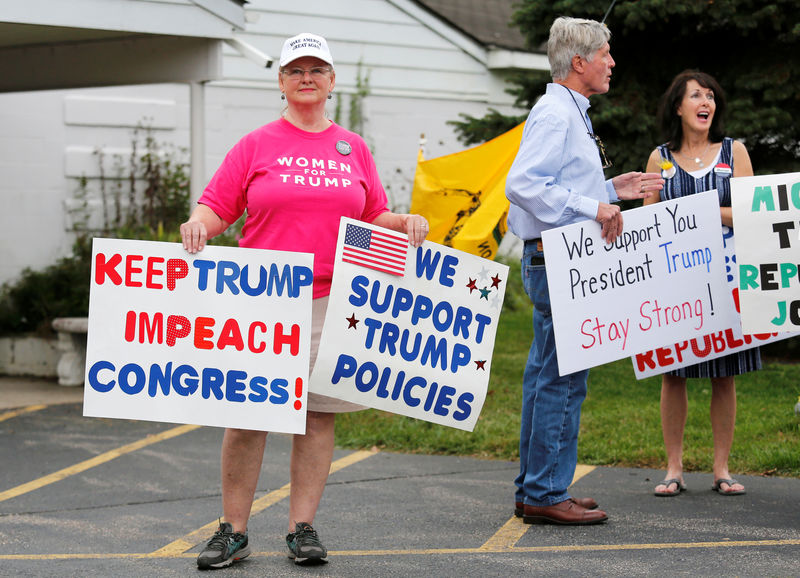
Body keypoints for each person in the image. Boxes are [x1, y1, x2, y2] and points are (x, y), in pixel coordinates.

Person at [181, 32, 429, 569]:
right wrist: (198, 226)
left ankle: (302, 528)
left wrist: (405, 222)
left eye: (317, 69)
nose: (306, 77)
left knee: (317, 418)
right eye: (296, 70)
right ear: (282, 82)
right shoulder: (256, 144)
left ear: (332, 81)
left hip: (331, 300)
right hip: (263, 301)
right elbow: (216, 207)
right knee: (249, 418)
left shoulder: (352, 147)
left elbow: (370, 217)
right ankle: (233, 531)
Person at [505, 16, 664, 525]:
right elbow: (525, 184)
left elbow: (556, 185)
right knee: (561, 377)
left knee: (547, 374)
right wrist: (595, 208)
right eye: (605, 55)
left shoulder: (566, 110)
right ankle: (547, 493)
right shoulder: (556, 113)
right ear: (579, 63)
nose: (612, 63)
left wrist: (609, 191)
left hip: (552, 255)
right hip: (556, 259)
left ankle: (538, 487)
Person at [644, 70, 759, 498]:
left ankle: (721, 469)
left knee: (724, 376)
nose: (705, 101)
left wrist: (704, 210)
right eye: (695, 95)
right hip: (676, 286)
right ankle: (673, 468)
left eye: (710, 95)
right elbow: (647, 224)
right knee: (672, 375)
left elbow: (750, 213)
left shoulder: (735, 153)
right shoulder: (660, 159)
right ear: (679, 107)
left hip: (727, 281)